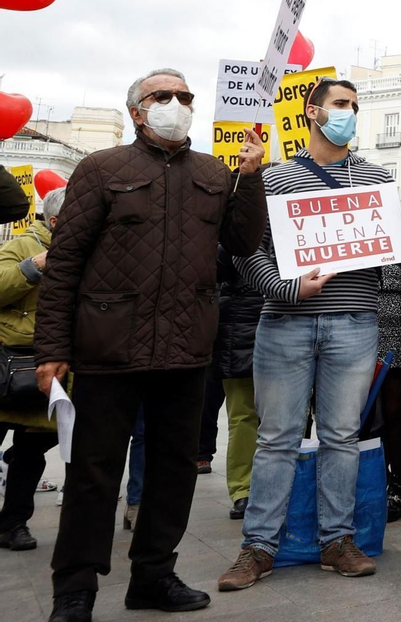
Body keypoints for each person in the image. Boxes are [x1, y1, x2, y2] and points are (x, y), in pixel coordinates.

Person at [34, 68, 267, 622]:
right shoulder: (101, 169)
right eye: (163, 96)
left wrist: (252, 177)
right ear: (138, 111)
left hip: (187, 349)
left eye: (185, 97)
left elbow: (242, 242)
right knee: (93, 474)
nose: (177, 104)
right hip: (109, 348)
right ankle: (75, 592)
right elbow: (64, 263)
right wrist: (51, 349)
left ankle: (154, 577)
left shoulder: (214, 171)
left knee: (173, 471)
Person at [219, 78, 401, 592]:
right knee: (276, 438)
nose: (350, 114)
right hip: (284, 324)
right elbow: (244, 251)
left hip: (354, 325)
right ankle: (258, 548)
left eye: (355, 107)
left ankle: (338, 540)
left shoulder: (377, 178)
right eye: (341, 105)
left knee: (342, 436)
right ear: (313, 111)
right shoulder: (274, 178)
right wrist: (288, 288)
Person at [0, 188, 67, 552]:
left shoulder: (82, 252)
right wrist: (34, 267)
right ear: (55, 221)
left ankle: (13, 523)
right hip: (8, 361)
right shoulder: (22, 246)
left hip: (46, 364)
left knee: (34, 446)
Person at [212, 246, 262, 521]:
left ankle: (287, 482)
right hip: (241, 323)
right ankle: (244, 489)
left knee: (291, 416)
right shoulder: (237, 223)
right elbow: (218, 268)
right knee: (243, 414)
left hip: (286, 316)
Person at [373, 262, 401, 522]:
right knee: (366, 418)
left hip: (399, 336)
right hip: (359, 333)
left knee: (396, 412)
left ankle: (395, 487)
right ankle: (376, 482)